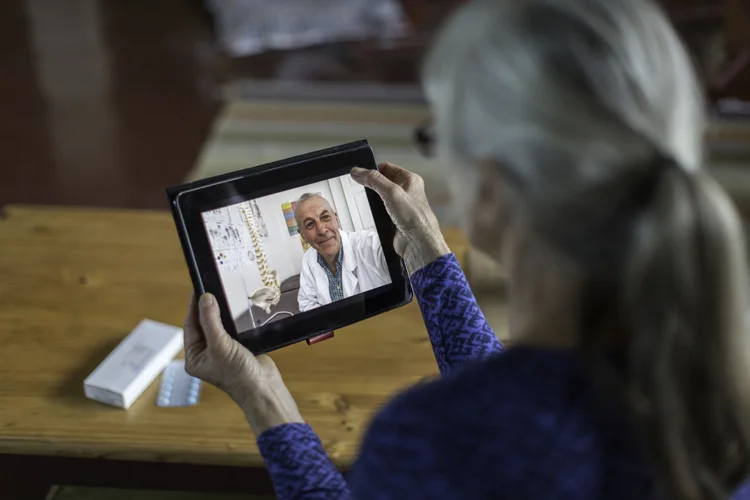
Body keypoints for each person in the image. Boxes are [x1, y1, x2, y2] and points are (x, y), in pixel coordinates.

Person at [182, 0, 750, 498]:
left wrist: (265, 399)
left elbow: (499, 431)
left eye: (440, 138)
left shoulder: (429, 439)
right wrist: (430, 255)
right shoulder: (712, 374)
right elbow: (521, 409)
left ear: (492, 188)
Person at [293, 193, 391, 312]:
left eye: (325, 217)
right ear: (303, 235)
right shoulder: (308, 260)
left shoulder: (367, 244)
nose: (322, 230)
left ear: (336, 218)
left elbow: (394, 256)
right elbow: (306, 304)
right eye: (310, 224)